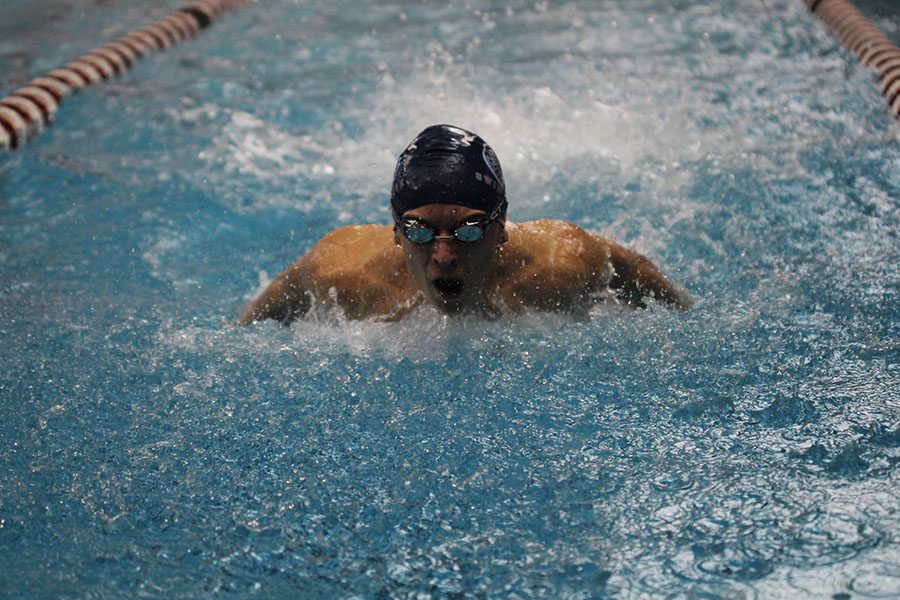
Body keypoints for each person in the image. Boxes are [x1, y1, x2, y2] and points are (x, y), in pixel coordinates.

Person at [239, 124, 691, 325]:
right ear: (395, 231)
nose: (444, 255)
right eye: (417, 231)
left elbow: (634, 270)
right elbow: (246, 335)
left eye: (469, 229)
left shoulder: (561, 262)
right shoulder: (342, 271)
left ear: (502, 228)